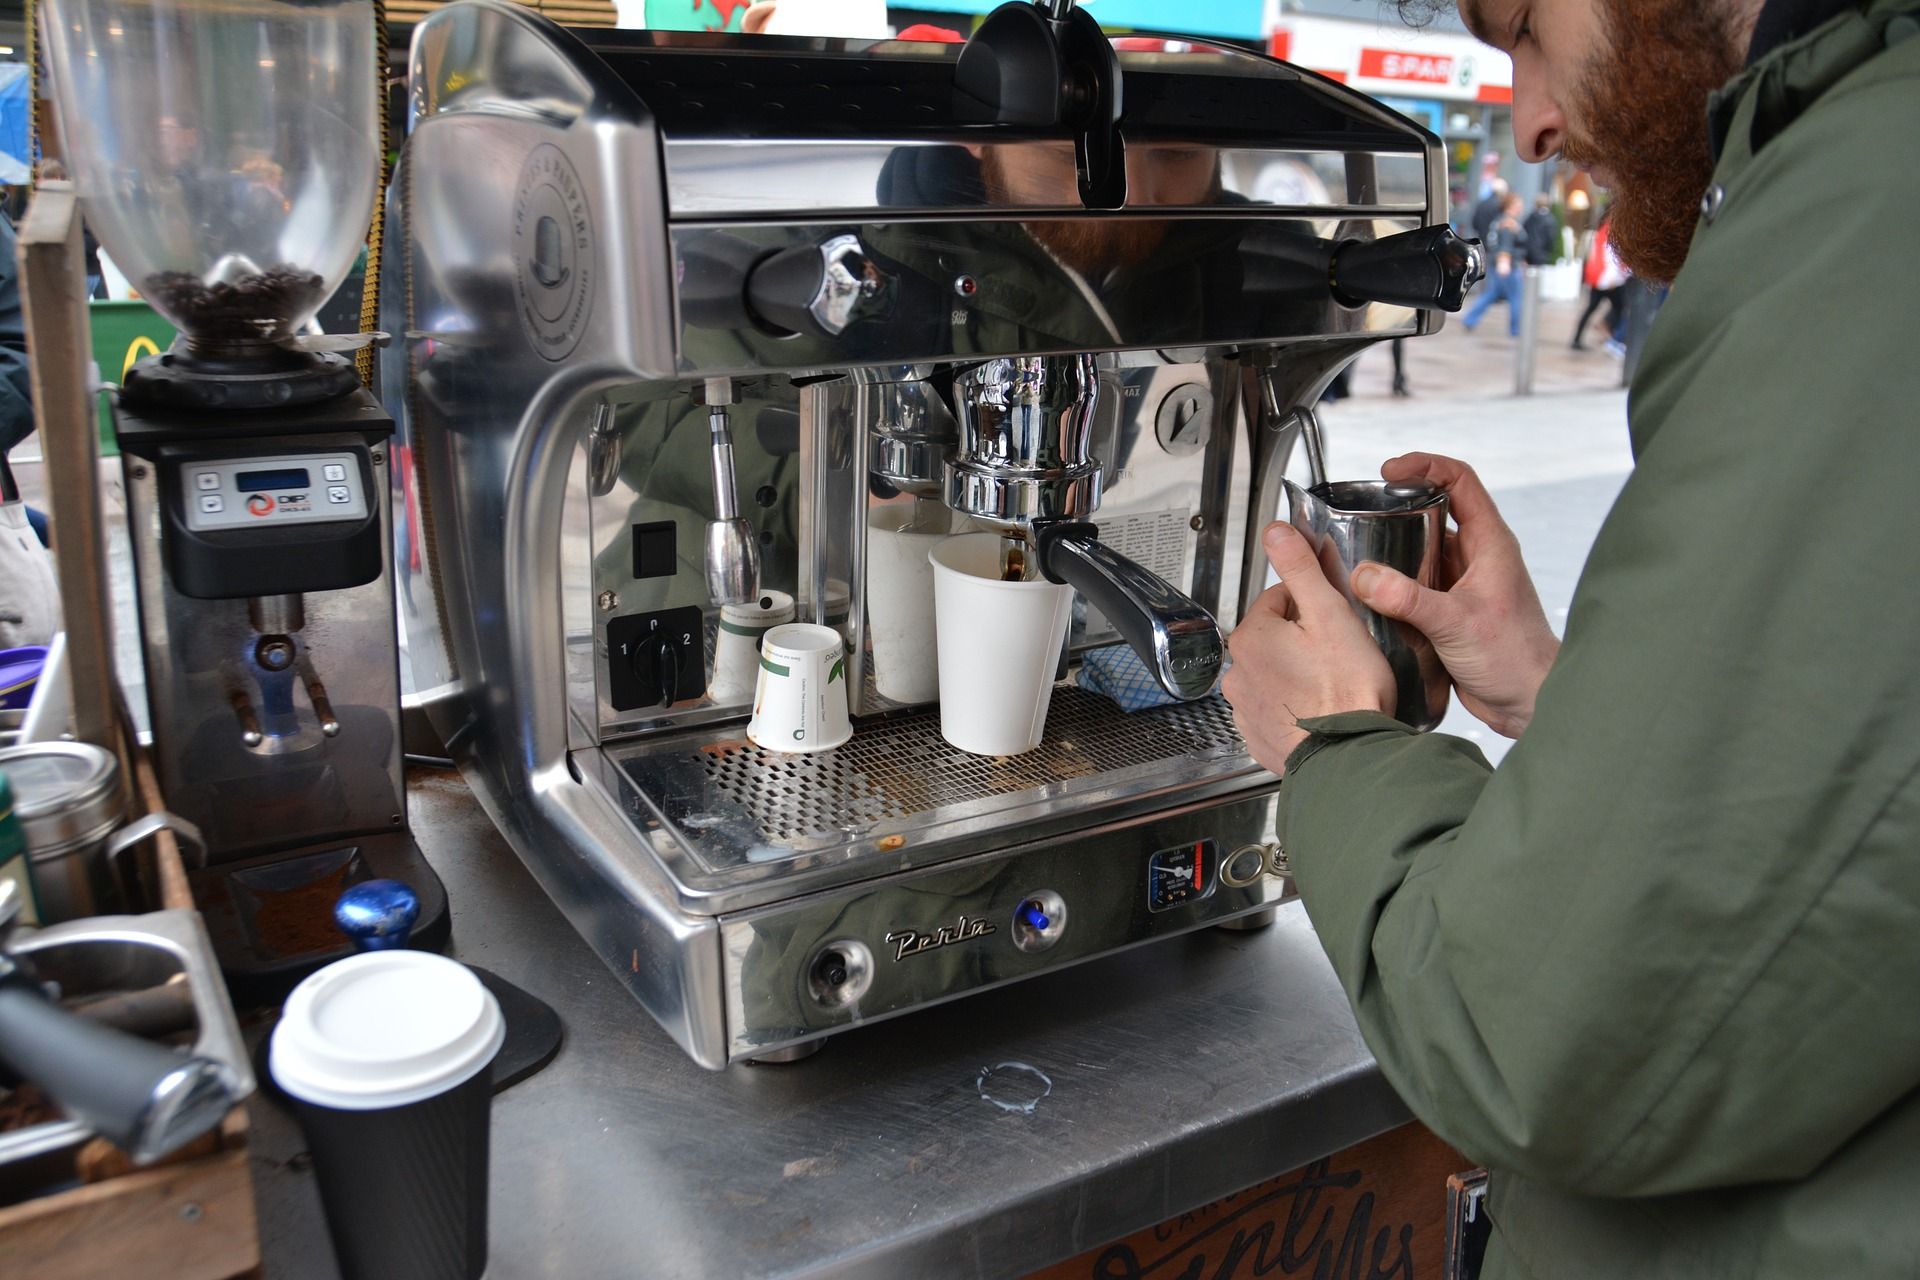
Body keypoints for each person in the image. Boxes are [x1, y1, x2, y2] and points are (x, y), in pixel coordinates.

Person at [1221, 0, 1920, 1277]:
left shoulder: (1871, 209)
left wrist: (1337, 749)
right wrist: (1566, 698)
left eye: (1526, 24)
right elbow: (1855, 804)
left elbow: (1533, 1037)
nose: (1533, 122)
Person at [1460, 191, 1524, 336]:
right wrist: (1504, 261)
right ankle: (1515, 330)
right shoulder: (1508, 223)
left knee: (1492, 293)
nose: (1521, 208)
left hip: (1497, 262)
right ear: (1510, 206)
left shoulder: (1499, 220)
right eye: (1518, 205)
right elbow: (1506, 245)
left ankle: (1470, 319)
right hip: (1507, 265)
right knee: (1515, 297)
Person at [1569, 211, 1629, 351]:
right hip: (1608, 281)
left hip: (1602, 279)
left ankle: (1581, 338)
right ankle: (1610, 333)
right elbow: (1610, 257)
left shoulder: (1603, 231)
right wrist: (1613, 278)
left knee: (1597, 308)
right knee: (1618, 307)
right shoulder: (1612, 232)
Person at [1520, 191, 1557, 267]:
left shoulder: (1531, 217)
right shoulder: (1550, 219)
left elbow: (1524, 231)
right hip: (1542, 254)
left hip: (1528, 252)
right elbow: (1551, 238)